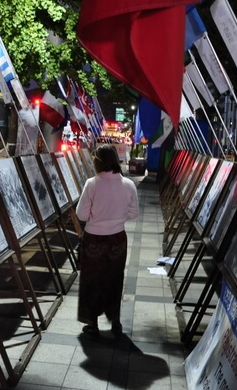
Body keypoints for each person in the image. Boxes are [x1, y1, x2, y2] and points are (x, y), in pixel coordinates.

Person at [75, 144, 139, 336]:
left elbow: (81, 214)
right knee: (114, 278)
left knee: (91, 280)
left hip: (94, 238)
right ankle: (115, 321)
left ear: (99, 162)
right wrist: (117, 219)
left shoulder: (92, 184)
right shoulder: (128, 185)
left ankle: (92, 322)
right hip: (117, 239)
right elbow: (134, 213)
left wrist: (99, 218)